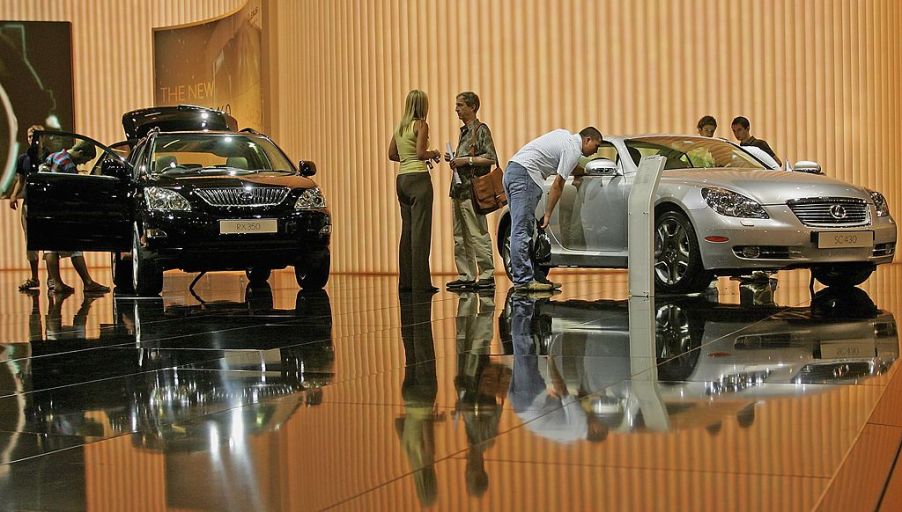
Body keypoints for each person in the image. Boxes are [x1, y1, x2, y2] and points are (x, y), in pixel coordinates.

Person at [503, 127, 602, 292]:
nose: (595, 152)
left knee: (526, 230)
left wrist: (583, 171)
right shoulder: (573, 149)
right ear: (587, 140)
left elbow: (571, 166)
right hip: (526, 177)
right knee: (522, 230)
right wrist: (548, 214)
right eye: (596, 146)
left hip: (514, 171)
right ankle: (523, 280)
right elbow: (558, 185)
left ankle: (533, 276)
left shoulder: (564, 136)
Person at [388, 90, 441, 293]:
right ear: (422, 106)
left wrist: (406, 159)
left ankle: (406, 282)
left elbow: (392, 154)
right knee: (421, 232)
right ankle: (421, 283)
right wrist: (433, 153)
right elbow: (420, 153)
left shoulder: (400, 126)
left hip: (402, 179)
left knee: (407, 231)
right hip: (419, 179)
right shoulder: (421, 125)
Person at [41, 141, 109, 295]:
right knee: (75, 248)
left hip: (47, 207)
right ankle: (88, 282)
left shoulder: (53, 156)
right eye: (85, 159)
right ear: (80, 152)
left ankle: (56, 283)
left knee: (50, 246)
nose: (83, 162)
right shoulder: (68, 165)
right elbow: (74, 190)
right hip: (64, 210)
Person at [445, 92, 497, 291]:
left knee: (477, 233)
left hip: (473, 191)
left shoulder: (481, 130)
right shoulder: (464, 132)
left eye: (460, 105)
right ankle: (465, 275)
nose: (456, 109)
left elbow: (490, 158)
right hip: (458, 189)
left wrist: (466, 160)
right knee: (460, 236)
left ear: (472, 106)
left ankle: (487, 274)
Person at [8, 124, 43, 291]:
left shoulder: (49, 156)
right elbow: (20, 180)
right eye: (30, 136)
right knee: (31, 241)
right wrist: (14, 195)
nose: (32, 139)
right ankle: (35, 277)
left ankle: (53, 279)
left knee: (50, 240)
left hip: (46, 204)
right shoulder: (24, 158)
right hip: (29, 204)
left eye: (35, 136)